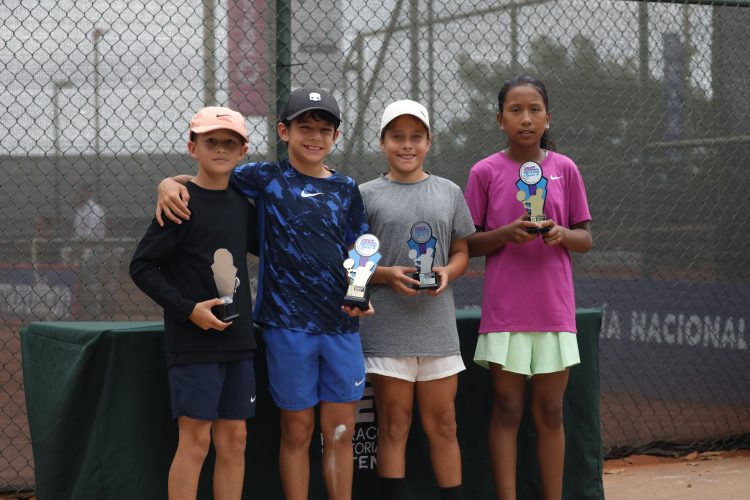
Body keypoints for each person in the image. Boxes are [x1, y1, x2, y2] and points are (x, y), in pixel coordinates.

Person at [155, 88, 371, 500]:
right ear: (283, 132)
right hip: (285, 326)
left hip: (342, 326)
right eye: (305, 128)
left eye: (324, 130)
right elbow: (209, 177)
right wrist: (168, 183)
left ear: (336, 137)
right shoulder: (263, 177)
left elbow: (361, 246)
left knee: (340, 431)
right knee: (297, 430)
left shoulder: (346, 188)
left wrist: (359, 289)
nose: (315, 137)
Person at [463, 75, 593, 500]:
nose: (525, 118)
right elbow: (467, 244)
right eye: (515, 110)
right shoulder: (484, 171)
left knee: (551, 411)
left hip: (554, 311)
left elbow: (585, 238)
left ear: (547, 118)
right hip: (505, 313)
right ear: (499, 119)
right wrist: (505, 234)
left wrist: (561, 233)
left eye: (534, 109)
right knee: (507, 409)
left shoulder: (565, 168)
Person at [129, 106, 258, 500]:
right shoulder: (180, 203)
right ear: (192, 147)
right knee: (196, 441)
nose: (220, 149)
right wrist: (189, 309)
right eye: (211, 141)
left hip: (239, 340)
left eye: (229, 143)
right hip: (193, 343)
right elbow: (142, 266)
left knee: (235, 440)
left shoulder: (244, 205)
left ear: (242, 151)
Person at [358, 100, 475, 500]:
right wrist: (386, 275)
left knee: (444, 424)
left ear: (429, 141)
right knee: (394, 425)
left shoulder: (449, 192)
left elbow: (461, 251)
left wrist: (447, 272)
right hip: (386, 330)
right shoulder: (364, 195)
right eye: (397, 137)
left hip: (437, 330)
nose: (406, 145)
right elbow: (354, 263)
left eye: (415, 137)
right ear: (382, 142)